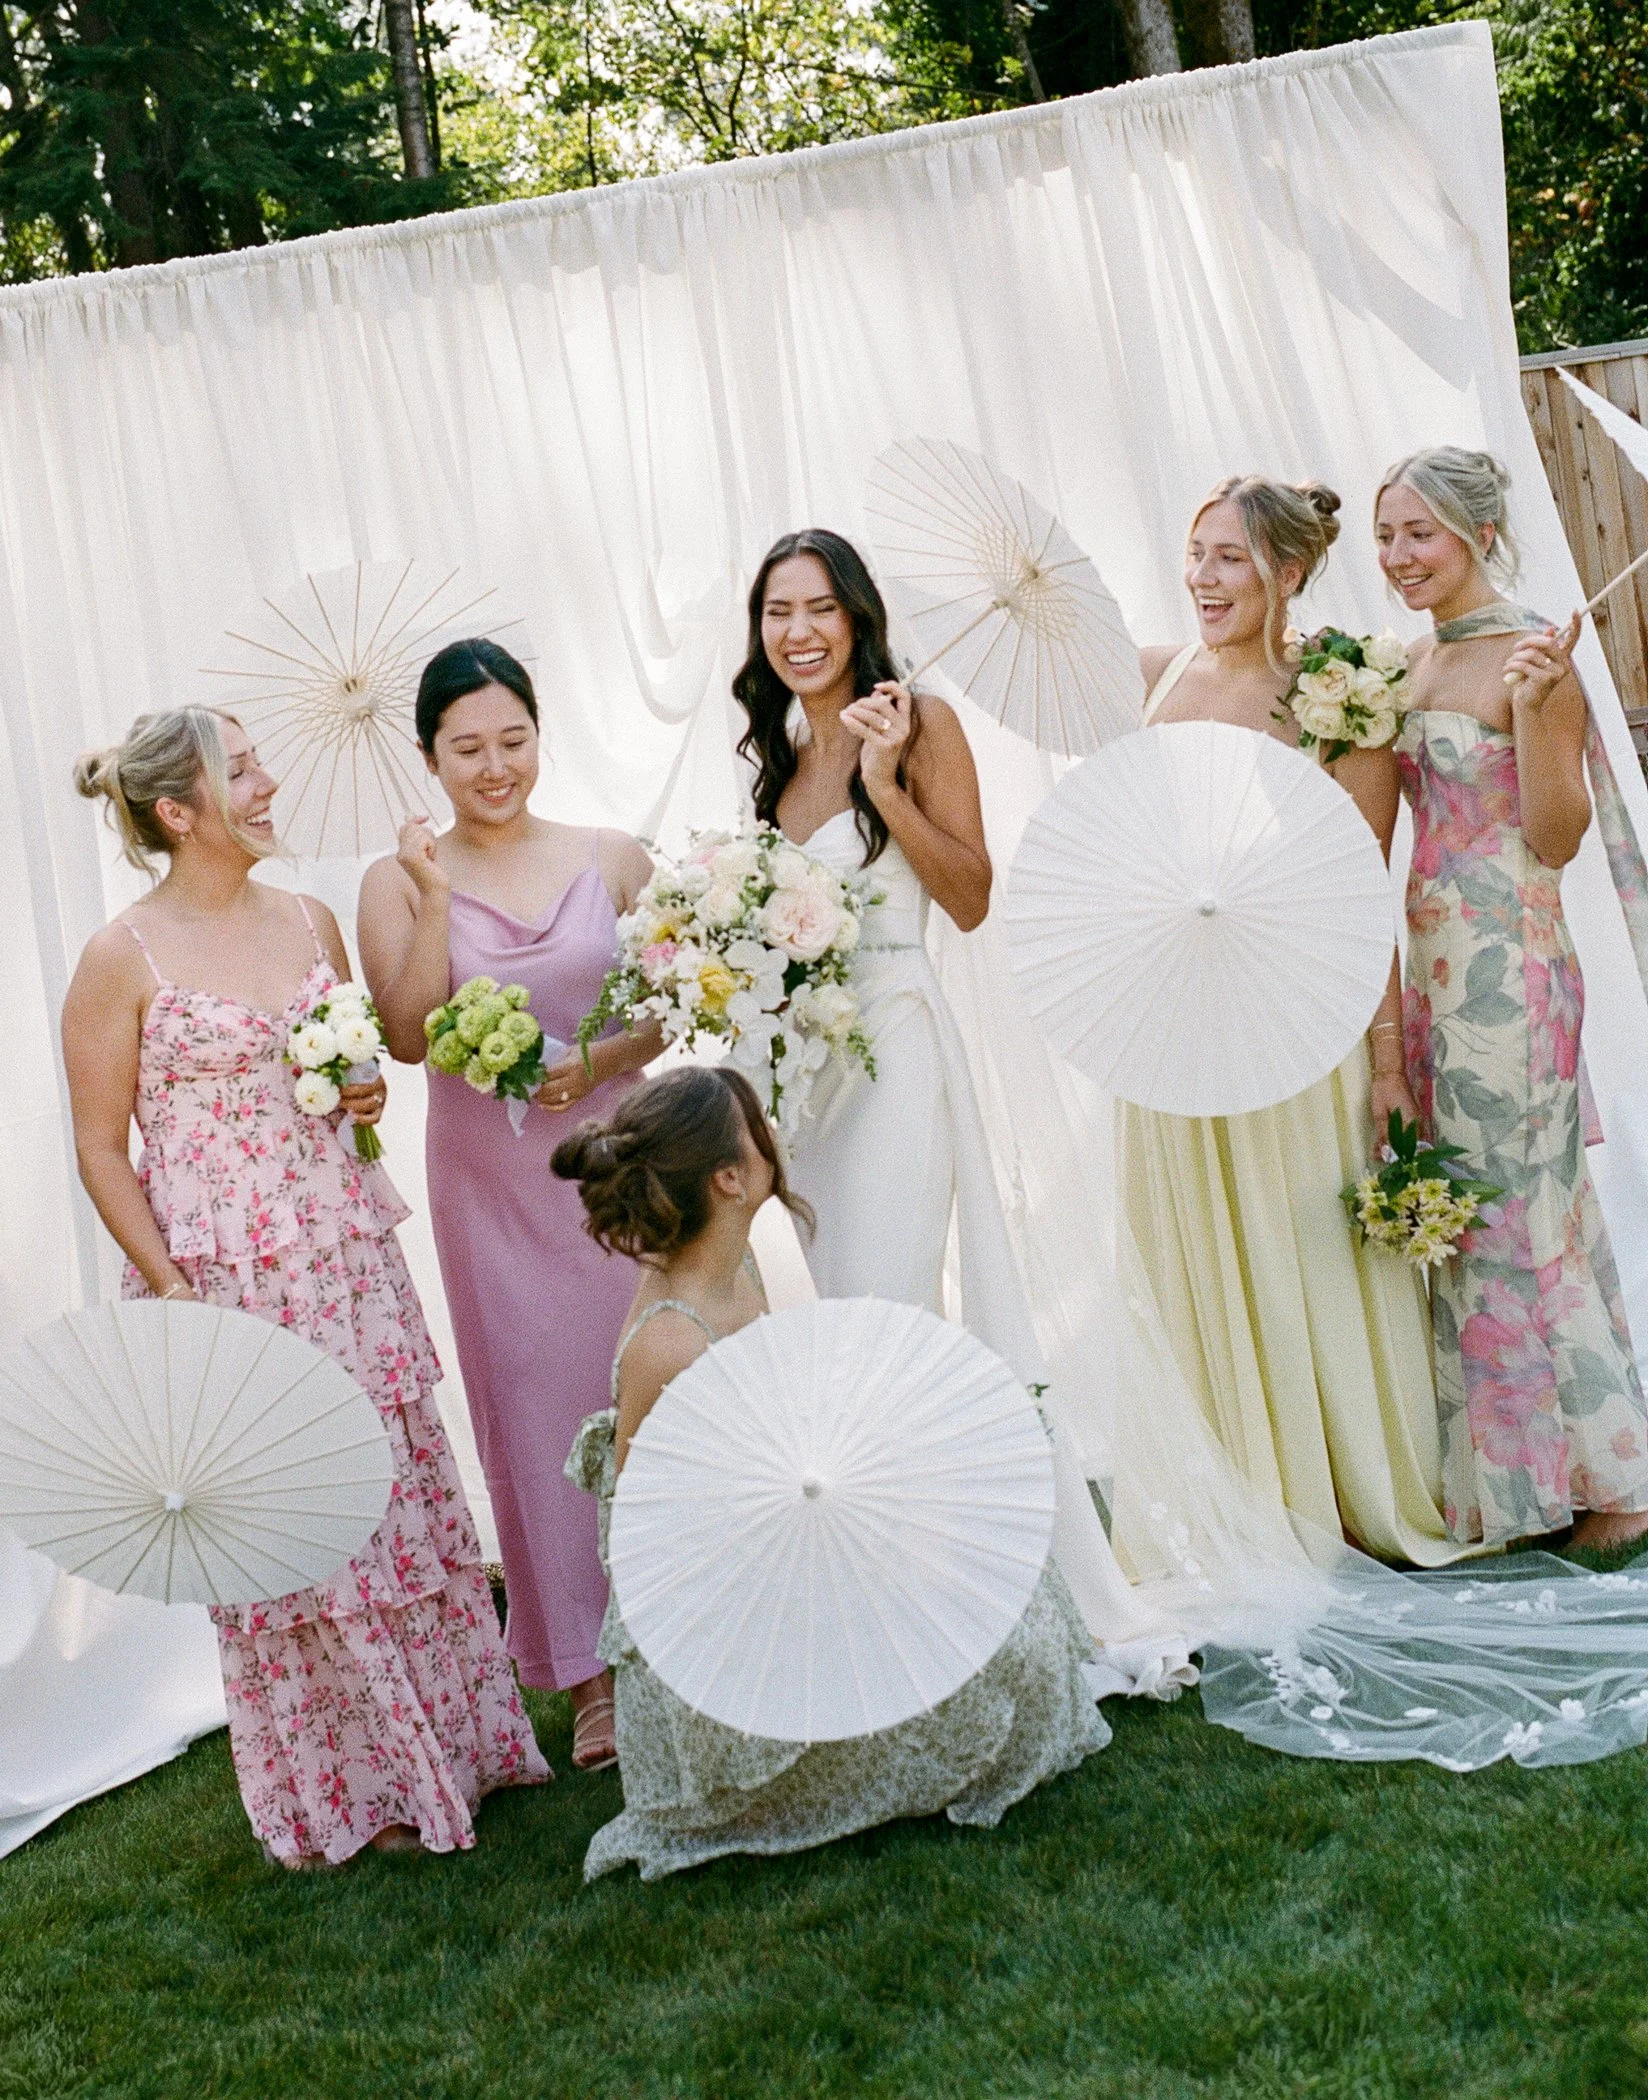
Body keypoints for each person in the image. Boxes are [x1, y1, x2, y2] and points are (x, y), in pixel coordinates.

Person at [61, 707, 545, 1868]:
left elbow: (347, 1072)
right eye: (245, 770)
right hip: (229, 1286)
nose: (269, 783)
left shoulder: (309, 918)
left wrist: (363, 1097)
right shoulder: (121, 956)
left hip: (344, 1256)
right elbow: (97, 1146)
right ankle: (354, 1792)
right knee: (297, 1537)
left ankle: (463, 1747)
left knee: (394, 1495)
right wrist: (171, 1284)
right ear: (180, 811)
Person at [731, 528, 1196, 1686]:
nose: (797, 631)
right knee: (847, 1316)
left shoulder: (917, 723)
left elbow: (974, 897)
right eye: (777, 611)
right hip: (808, 1082)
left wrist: (886, 785)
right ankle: (907, 1575)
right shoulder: (779, 758)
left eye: (818, 608)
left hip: (896, 1048)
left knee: (890, 1309)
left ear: (857, 616)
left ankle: (953, 1592)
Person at [553, 1065, 1111, 1881]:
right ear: (731, 1178)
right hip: (719, 1602)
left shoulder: (735, 1268)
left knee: (1009, 1593)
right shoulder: (670, 1340)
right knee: (978, 1675)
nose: (774, 1137)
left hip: (777, 1524)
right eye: (756, 1131)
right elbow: (646, 1540)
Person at [1120, 475, 1463, 1566]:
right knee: (1192, 1252)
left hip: (1286, 1020)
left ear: (1289, 573)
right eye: (1195, 552)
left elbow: (1357, 894)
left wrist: (1385, 1063)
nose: (1202, 579)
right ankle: (1222, 1501)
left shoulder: (1338, 692)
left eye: (1228, 558)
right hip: (1166, 1015)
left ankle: (1338, 1492)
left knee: (1295, 1247)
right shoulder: (1152, 676)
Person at [358, 638, 663, 1774]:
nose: (495, 767)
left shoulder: (613, 855)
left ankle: (686, 1630)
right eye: (468, 748)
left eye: (513, 740)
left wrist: (597, 1061)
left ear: (541, 731)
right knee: (536, 1415)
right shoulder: (395, 881)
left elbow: (671, 1007)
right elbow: (400, 1033)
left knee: (645, 1391)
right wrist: (435, 897)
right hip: (490, 1189)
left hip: (620, 1170)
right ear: (430, 757)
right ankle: (587, 1676)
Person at [1375, 446, 1648, 1548]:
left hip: (1512, 963)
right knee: (1472, 1213)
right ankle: (1518, 1481)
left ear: (1478, 534)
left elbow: (1556, 835)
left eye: (1419, 534)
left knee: (1523, 1211)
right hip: (1433, 965)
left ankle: (1615, 1484)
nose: (1398, 556)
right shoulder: (1406, 663)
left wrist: (1539, 713)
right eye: (1386, 536)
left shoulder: (1532, 656)